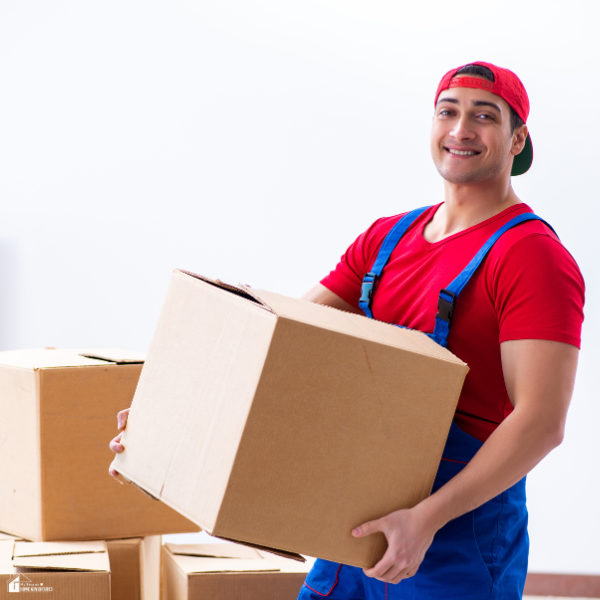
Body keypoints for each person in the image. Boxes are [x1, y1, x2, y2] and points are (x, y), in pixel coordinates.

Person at [110, 62, 585, 600]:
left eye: (484, 116)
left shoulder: (531, 257)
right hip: (351, 523)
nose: (461, 130)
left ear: (517, 138)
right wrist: (170, 419)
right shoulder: (388, 239)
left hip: (456, 535)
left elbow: (542, 421)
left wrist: (426, 519)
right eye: (448, 112)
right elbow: (276, 347)